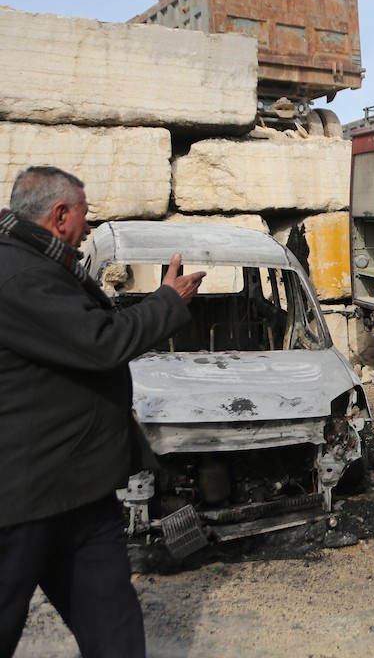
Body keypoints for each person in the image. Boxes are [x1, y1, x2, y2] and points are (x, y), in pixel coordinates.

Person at [0, 166, 205, 658]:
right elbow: (101, 343)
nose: (88, 225)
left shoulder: (38, 262)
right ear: (59, 215)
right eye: (84, 214)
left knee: (112, 624)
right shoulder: (19, 274)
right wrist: (168, 302)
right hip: (26, 496)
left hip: (78, 490)